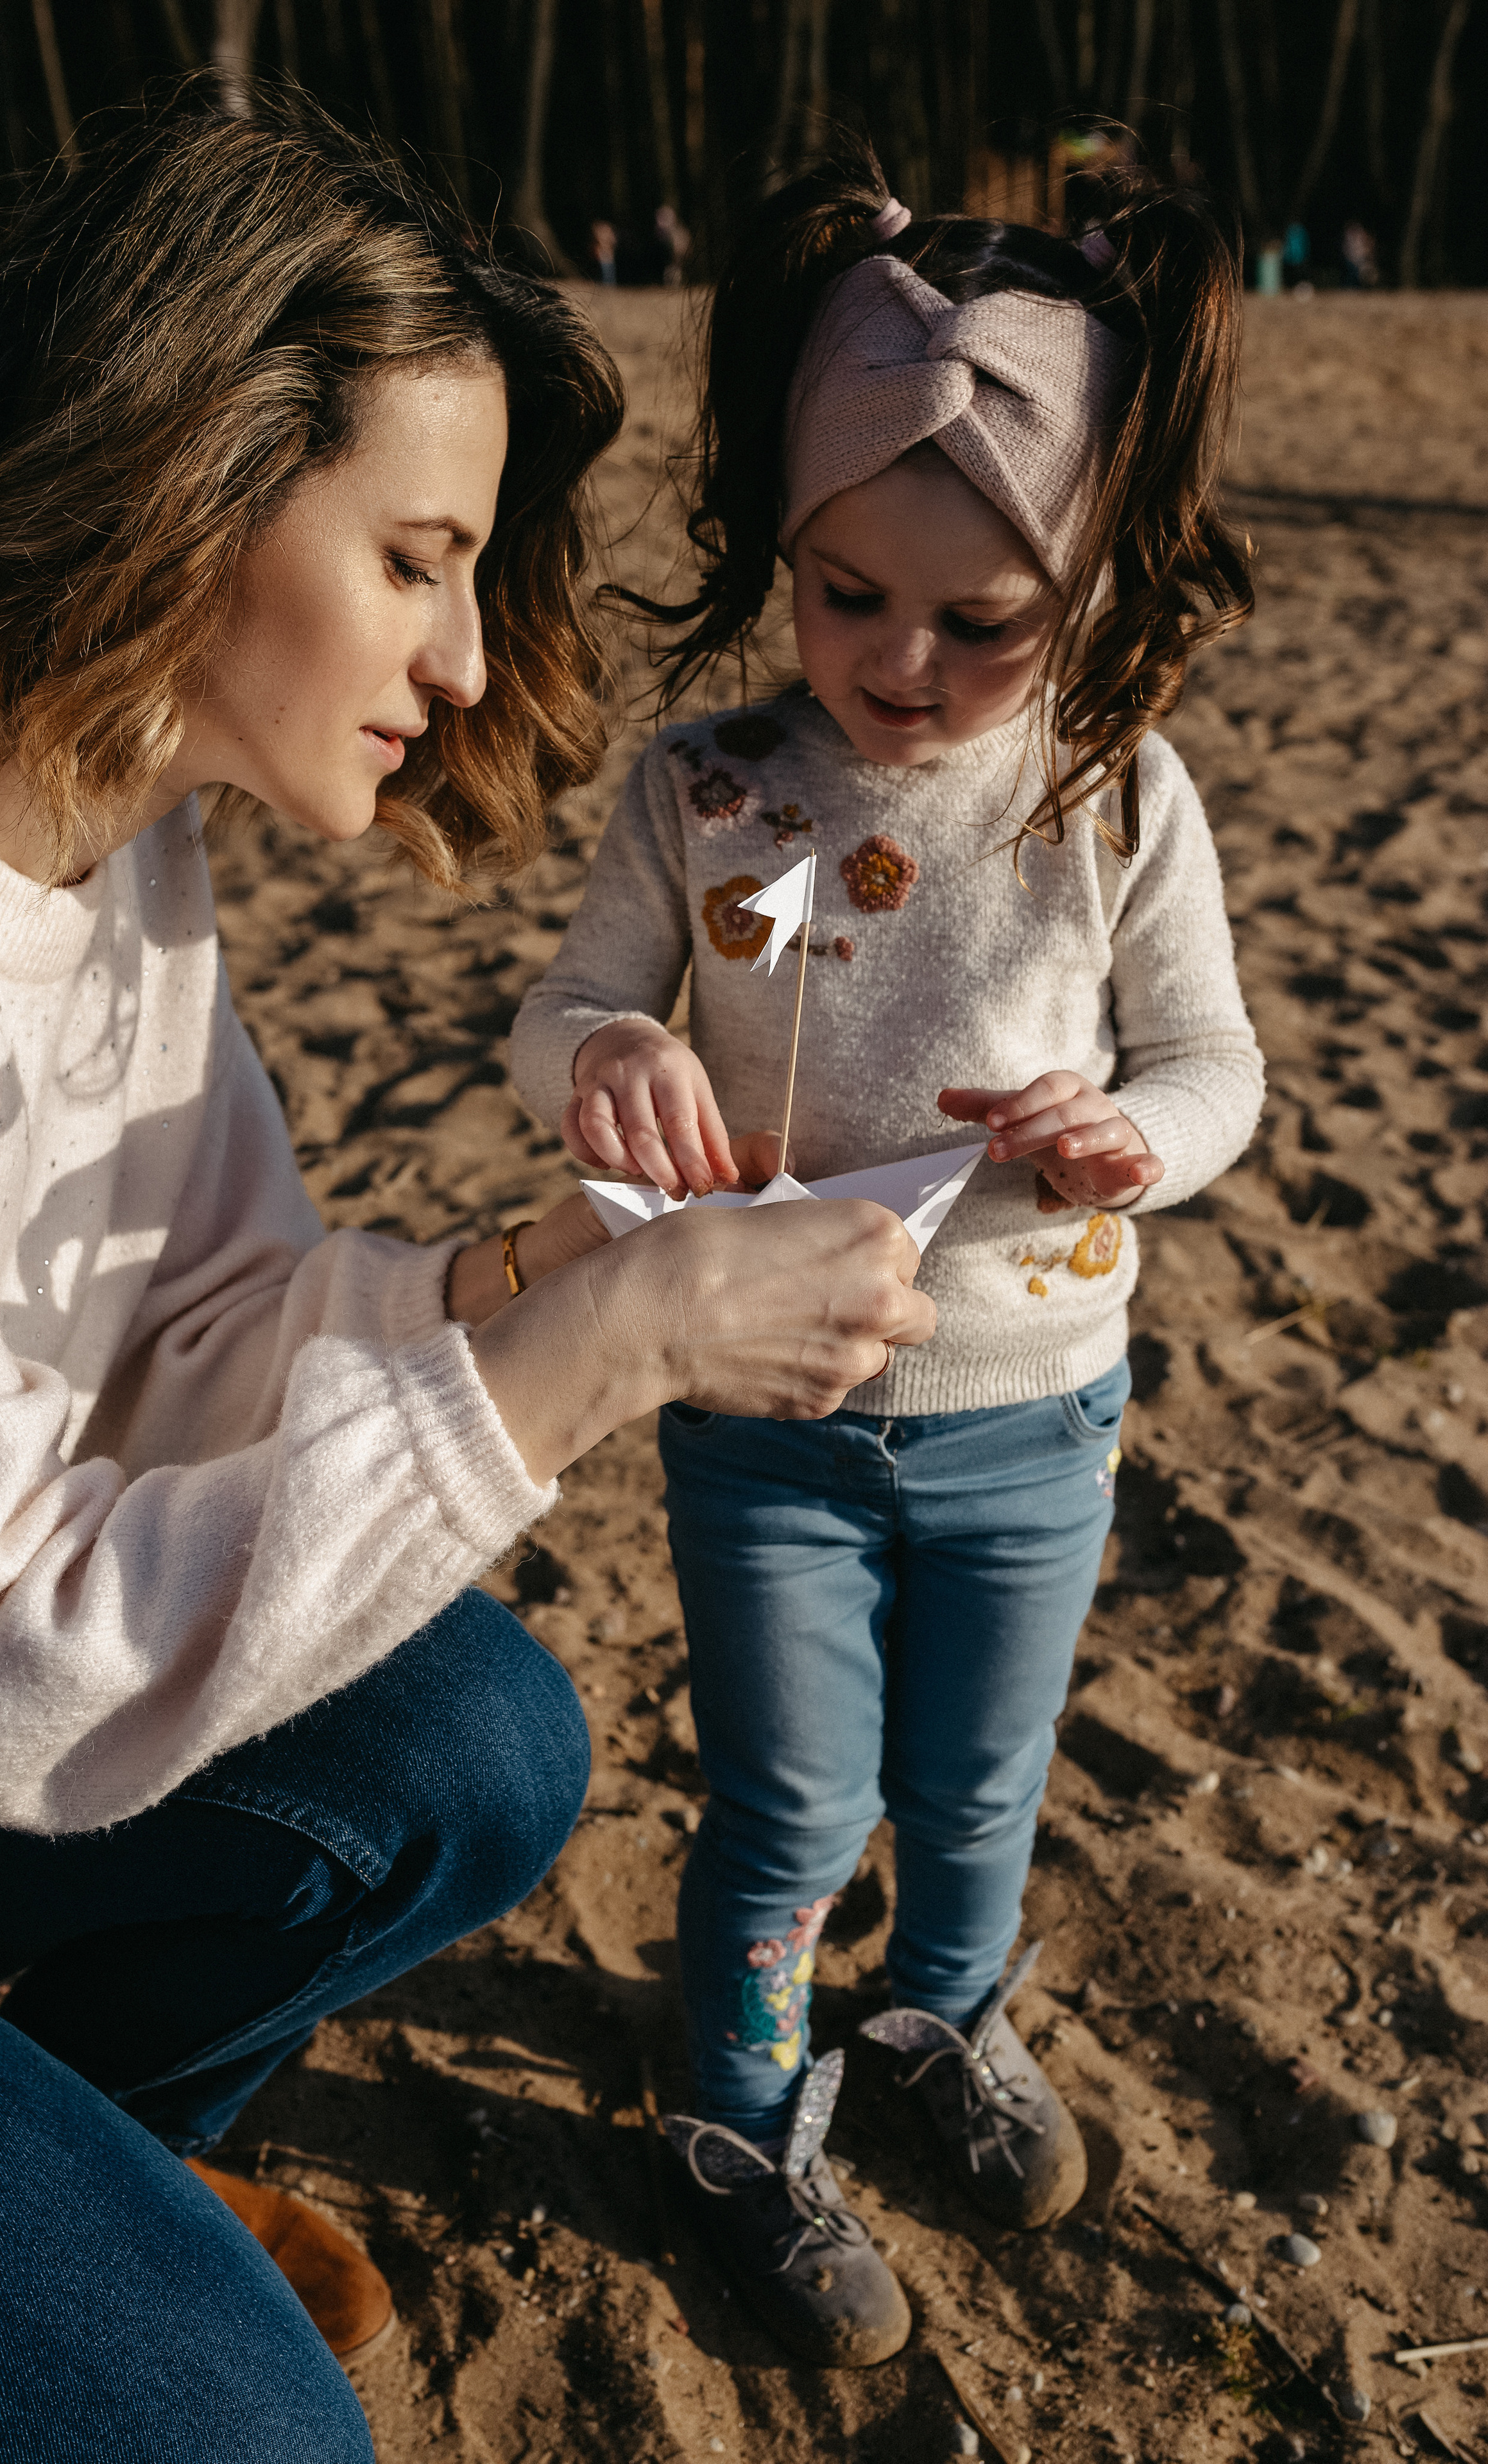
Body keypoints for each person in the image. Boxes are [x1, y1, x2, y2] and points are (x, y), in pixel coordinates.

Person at [0, 96, 935, 2461]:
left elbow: (204, 1335)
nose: (459, 657)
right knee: (249, 2436)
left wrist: (522, 1277)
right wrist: (587, 1356)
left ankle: (90, 2191)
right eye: (420, 557)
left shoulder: (96, 828)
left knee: (468, 1743)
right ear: (186, 476)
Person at [511, 153, 1264, 2368]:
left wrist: (1140, 1140)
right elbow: (558, 1008)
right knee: (790, 1805)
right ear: (783, 545)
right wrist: (618, 1047)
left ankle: (940, 2023)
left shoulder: (1122, 797)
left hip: (1041, 1409)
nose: (897, 665)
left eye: (976, 623)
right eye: (843, 596)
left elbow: (1216, 1064)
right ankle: (745, 2109)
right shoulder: (710, 789)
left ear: (1093, 581)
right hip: (769, 1420)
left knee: (977, 1789)